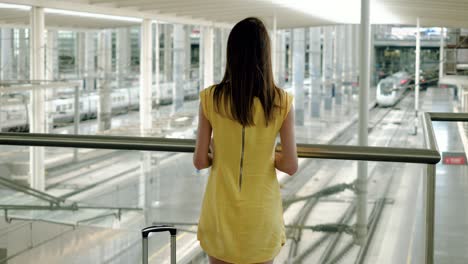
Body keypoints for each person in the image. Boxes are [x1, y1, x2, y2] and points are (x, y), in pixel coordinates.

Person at [193, 17, 298, 264]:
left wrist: (218, 152)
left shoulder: (210, 98)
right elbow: (290, 166)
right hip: (261, 218)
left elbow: (199, 161)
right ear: (265, 55)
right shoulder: (281, 102)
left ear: (232, 54)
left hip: (220, 214)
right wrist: (267, 155)